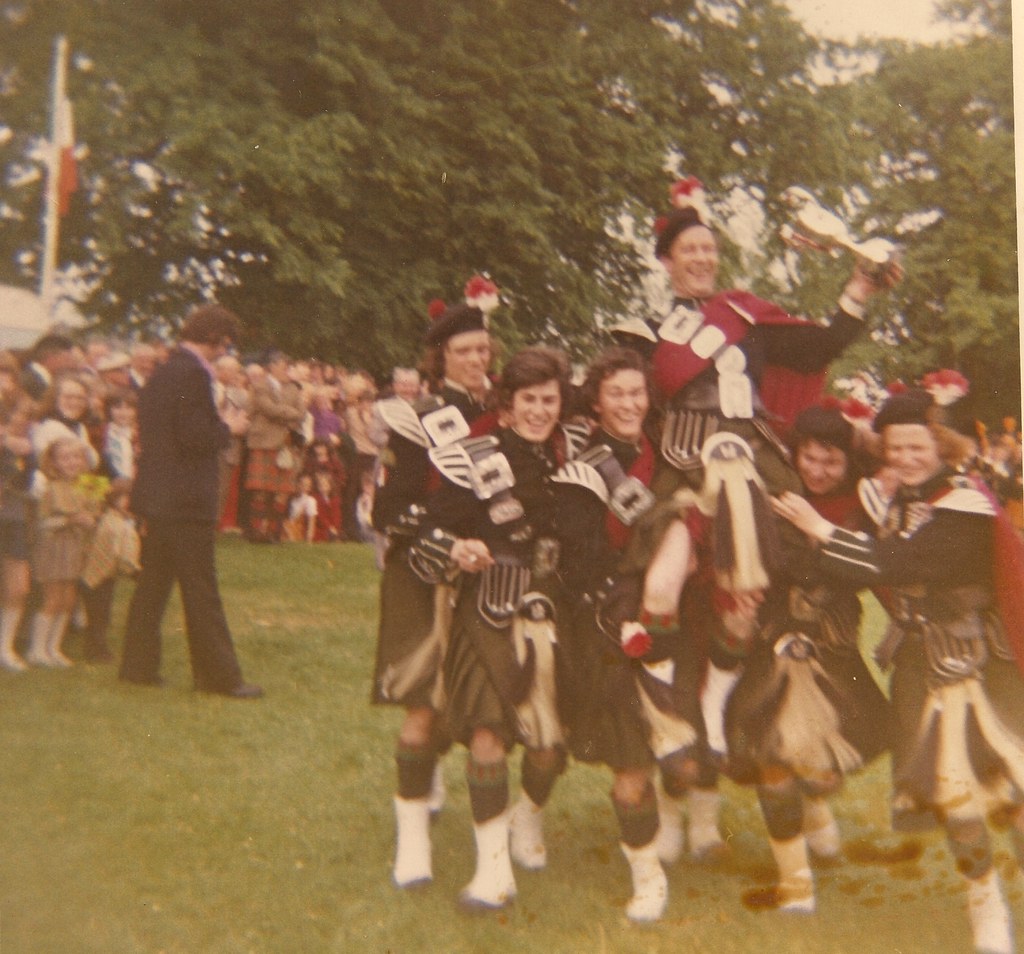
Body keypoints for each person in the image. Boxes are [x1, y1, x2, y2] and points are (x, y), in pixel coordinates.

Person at [622, 178, 901, 766]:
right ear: (668, 261)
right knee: (661, 587)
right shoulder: (647, 334)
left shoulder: (744, 314)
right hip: (682, 471)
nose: (701, 259)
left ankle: (718, 712)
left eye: (708, 249)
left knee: (743, 601)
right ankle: (668, 714)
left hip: (748, 466)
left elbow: (817, 350)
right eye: (688, 250)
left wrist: (858, 285)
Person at [774, 386, 1024, 954]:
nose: (906, 459)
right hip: (919, 664)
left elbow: (897, 563)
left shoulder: (967, 502)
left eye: (916, 447)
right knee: (954, 799)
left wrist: (819, 529)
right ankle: (984, 905)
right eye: (895, 451)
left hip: (979, 663)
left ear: (939, 444)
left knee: (1013, 792)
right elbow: (862, 560)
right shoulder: (898, 503)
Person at [411, 346, 578, 910]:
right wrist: (458, 547)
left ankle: (527, 817)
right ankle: (492, 872)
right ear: (506, 407)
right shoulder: (475, 457)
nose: (538, 411)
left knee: (548, 746)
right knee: (486, 737)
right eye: (527, 400)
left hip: (557, 613)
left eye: (548, 400)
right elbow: (428, 532)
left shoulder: (575, 455)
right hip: (488, 608)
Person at [724, 404, 890, 913]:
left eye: (830, 462)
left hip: (836, 650)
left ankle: (816, 804)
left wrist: (819, 529)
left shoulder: (864, 504)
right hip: (774, 643)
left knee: (832, 761)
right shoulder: (774, 496)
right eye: (809, 459)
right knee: (772, 758)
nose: (817, 471)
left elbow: (870, 570)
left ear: (847, 462)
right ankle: (795, 883)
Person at [370, 301, 493, 891]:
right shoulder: (415, 418)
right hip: (422, 569)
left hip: (482, 572)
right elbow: (386, 509)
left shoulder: (499, 411)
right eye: (464, 351)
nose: (476, 360)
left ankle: (437, 789)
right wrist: (441, 540)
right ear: (441, 358)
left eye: (483, 350)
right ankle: (412, 843)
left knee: (468, 696)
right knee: (422, 702)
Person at [118, 304, 261, 699]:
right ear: (216, 338)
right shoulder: (194, 372)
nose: (225, 351)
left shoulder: (164, 370)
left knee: (153, 585)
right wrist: (227, 428)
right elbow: (194, 436)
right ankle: (218, 677)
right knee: (200, 589)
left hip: (159, 495)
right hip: (185, 499)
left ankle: (138, 667)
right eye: (225, 343)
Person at [26, 437, 97, 667]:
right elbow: (41, 523)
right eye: (65, 458)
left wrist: (91, 520)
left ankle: (54, 647)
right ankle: (37, 649)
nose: (72, 462)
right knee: (53, 597)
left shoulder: (88, 485)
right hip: (54, 548)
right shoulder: (49, 487)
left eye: (76, 457)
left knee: (69, 598)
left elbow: (96, 513)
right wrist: (70, 519)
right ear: (54, 462)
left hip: (77, 548)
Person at [244, 350, 307, 543]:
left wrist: (289, 414)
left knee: (282, 491)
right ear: (272, 366)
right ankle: (256, 532)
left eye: (289, 367)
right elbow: (268, 409)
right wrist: (291, 413)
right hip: (264, 442)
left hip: (285, 444)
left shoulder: (294, 389)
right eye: (283, 366)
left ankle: (273, 532)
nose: (287, 371)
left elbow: (302, 413)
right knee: (261, 490)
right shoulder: (259, 386)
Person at [79, 477, 141, 662]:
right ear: (114, 499)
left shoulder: (124, 519)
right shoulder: (113, 523)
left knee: (102, 613)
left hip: (106, 574)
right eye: (126, 498)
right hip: (97, 574)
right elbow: (120, 553)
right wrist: (134, 571)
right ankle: (96, 650)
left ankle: (96, 647)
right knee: (98, 614)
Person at [0, 403, 36, 671]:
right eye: (16, 418)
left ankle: (5, 647)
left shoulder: (27, 451)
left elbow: (26, 483)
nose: (21, 424)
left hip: (15, 519)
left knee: (19, 586)